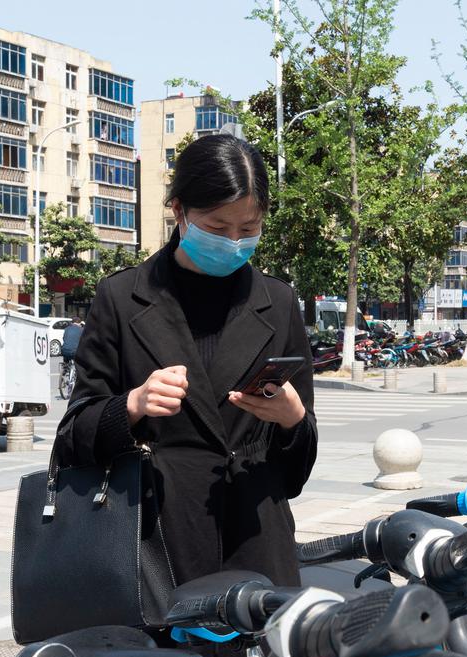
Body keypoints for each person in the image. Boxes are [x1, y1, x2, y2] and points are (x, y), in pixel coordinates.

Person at [56, 134, 318, 613]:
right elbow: (73, 436)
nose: (234, 242)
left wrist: (292, 419)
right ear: (179, 211)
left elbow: (296, 474)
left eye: (249, 228)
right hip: (157, 543)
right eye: (217, 227)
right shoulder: (121, 298)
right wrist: (131, 406)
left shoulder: (279, 302)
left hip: (257, 542)